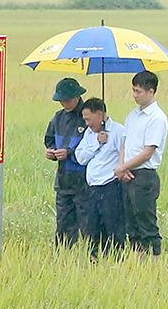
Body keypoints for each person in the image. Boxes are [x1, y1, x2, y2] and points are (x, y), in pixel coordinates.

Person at [115, 70, 168, 258]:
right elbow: (126, 143)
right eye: (133, 90)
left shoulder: (157, 118)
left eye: (138, 91)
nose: (134, 95)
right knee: (132, 224)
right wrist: (122, 165)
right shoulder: (132, 115)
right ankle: (138, 262)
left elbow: (148, 152)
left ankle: (153, 263)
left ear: (151, 91)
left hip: (144, 176)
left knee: (146, 223)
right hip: (128, 175)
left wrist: (124, 167)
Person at [74, 97, 127, 260]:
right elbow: (80, 157)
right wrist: (97, 142)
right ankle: (94, 260)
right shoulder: (89, 134)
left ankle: (117, 260)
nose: (87, 123)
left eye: (89, 119)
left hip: (110, 187)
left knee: (113, 228)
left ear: (100, 115)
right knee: (91, 228)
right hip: (91, 189)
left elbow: (124, 156)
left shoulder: (119, 131)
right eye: (85, 119)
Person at [43, 77, 90, 247]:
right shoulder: (58, 118)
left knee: (87, 224)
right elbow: (49, 139)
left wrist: (70, 153)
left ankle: (93, 258)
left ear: (77, 97)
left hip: (85, 182)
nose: (64, 104)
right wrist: (51, 151)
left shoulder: (88, 117)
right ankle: (63, 257)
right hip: (64, 181)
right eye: (61, 100)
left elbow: (93, 147)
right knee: (63, 224)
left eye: (67, 100)